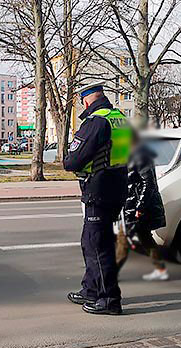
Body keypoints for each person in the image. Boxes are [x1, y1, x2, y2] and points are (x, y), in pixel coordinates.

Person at [64, 82, 132, 315]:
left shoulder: (97, 121)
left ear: (85, 101)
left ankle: (109, 299)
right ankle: (91, 289)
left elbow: (73, 160)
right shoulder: (120, 119)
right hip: (117, 187)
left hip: (99, 189)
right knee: (91, 241)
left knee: (97, 246)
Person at [116, 132, 168, 281]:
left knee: (123, 237)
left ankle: (110, 274)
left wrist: (139, 208)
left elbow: (148, 184)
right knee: (144, 237)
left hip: (138, 206)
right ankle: (160, 268)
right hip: (131, 205)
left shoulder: (141, 157)